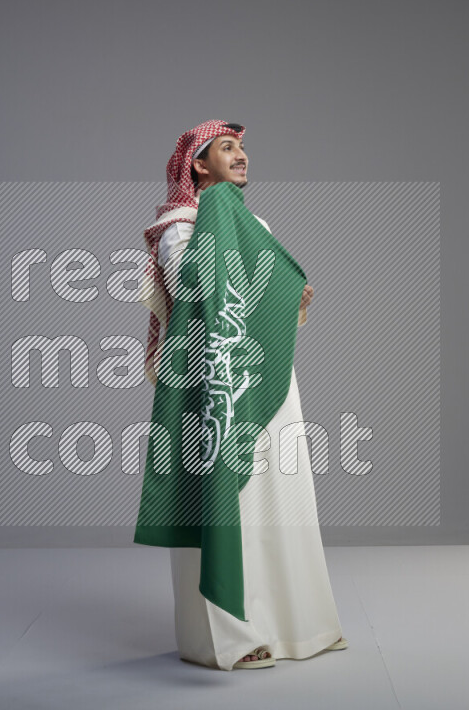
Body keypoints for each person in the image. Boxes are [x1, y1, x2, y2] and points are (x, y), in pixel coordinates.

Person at [137, 119, 347, 670]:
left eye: (243, 148)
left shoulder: (256, 223)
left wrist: (291, 293)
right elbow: (198, 290)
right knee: (220, 496)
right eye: (227, 148)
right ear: (198, 166)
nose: (242, 155)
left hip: (264, 381)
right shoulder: (180, 226)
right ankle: (224, 638)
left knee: (274, 495)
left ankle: (292, 623)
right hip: (212, 385)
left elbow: (265, 294)